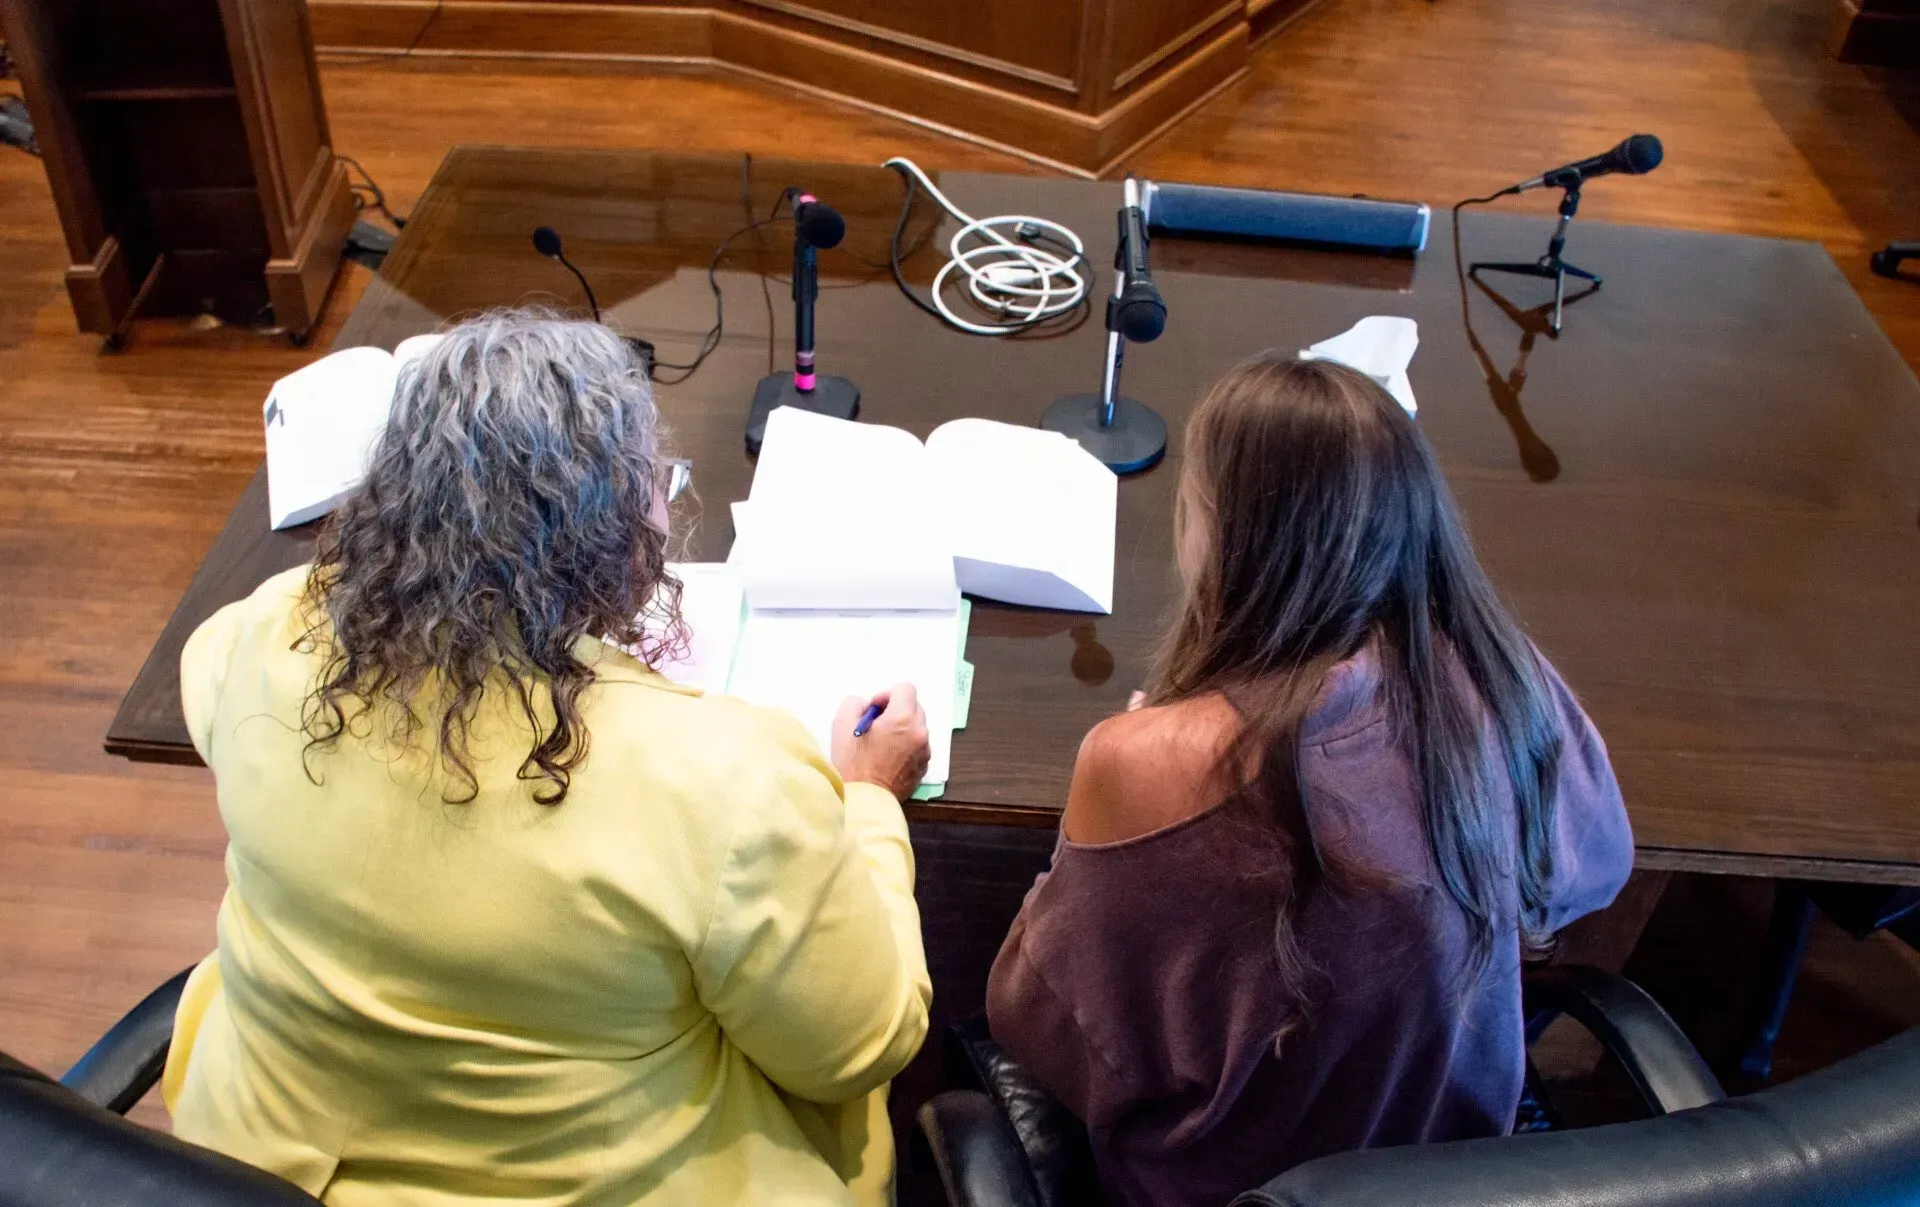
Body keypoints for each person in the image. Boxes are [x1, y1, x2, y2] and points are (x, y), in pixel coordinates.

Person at [162, 311, 934, 1207]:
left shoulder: (270, 633)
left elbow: (205, 689)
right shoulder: (725, 785)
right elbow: (859, 1046)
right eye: (660, 482)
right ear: (614, 536)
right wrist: (869, 798)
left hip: (257, 1169)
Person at [987, 355, 1634, 1207]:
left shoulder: (1142, 764)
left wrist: (1142, 761)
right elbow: (1598, 866)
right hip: (1448, 1181)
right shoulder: (1499, 683)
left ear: (1222, 539)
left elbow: (1037, 1028)